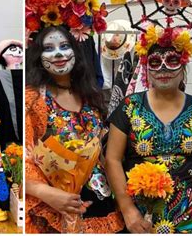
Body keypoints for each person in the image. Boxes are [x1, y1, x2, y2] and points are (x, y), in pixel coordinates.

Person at [25, 25, 124, 233]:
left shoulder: (90, 95)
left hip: (100, 202)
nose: (58, 54)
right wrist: (46, 193)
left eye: (64, 46)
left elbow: (103, 154)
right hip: (53, 203)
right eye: (49, 48)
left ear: (76, 52)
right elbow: (23, 155)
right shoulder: (33, 100)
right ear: (38, 56)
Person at [106, 25, 192, 233]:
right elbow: (112, 159)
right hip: (138, 212)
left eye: (172, 61)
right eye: (155, 63)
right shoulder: (129, 106)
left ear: (183, 65)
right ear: (146, 67)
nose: (163, 69)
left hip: (190, 209)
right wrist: (127, 209)